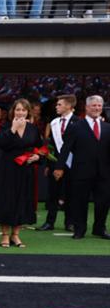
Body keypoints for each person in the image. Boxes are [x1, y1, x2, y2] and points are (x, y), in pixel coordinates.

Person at [0, 99, 42, 248]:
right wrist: (13, 129)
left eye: (23, 110)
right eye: (18, 110)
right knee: (6, 200)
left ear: (28, 112)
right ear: (13, 111)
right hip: (8, 169)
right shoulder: (5, 126)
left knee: (22, 201)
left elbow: (40, 147)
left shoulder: (33, 128)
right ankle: (4, 235)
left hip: (26, 170)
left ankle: (15, 235)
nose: (20, 112)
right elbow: (0, 144)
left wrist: (37, 157)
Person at [56, 94, 109, 239]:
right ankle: (79, 229)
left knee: (104, 202)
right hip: (81, 171)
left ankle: (99, 228)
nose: (97, 108)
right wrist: (59, 167)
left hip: (104, 173)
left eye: (99, 105)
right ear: (86, 107)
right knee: (80, 202)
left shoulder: (107, 127)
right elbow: (66, 149)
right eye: (94, 105)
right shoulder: (75, 126)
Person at [39, 94, 76, 231]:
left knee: (71, 194)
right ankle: (50, 222)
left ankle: (70, 222)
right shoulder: (54, 123)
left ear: (68, 106)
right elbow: (52, 147)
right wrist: (49, 165)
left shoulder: (78, 122)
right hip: (55, 164)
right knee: (53, 194)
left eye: (59, 104)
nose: (56, 106)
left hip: (73, 164)